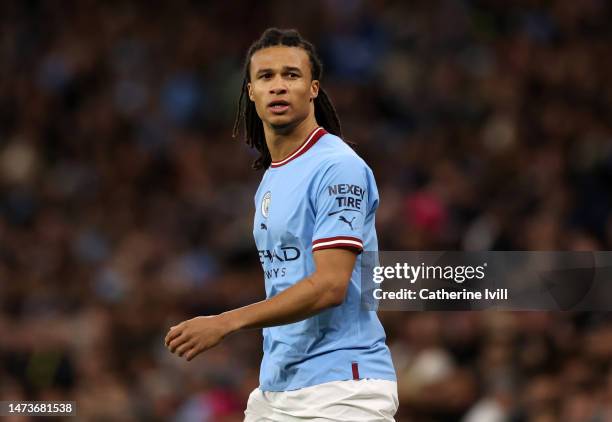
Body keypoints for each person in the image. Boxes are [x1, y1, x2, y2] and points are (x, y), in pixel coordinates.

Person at [165, 27, 398, 421]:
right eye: (265, 77)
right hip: (279, 388)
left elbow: (329, 286)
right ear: (250, 92)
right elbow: (288, 280)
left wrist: (226, 322)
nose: (278, 86)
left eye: (291, 75)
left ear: (313, 89)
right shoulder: (273, 178)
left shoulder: (337, 167)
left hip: (340, 388)